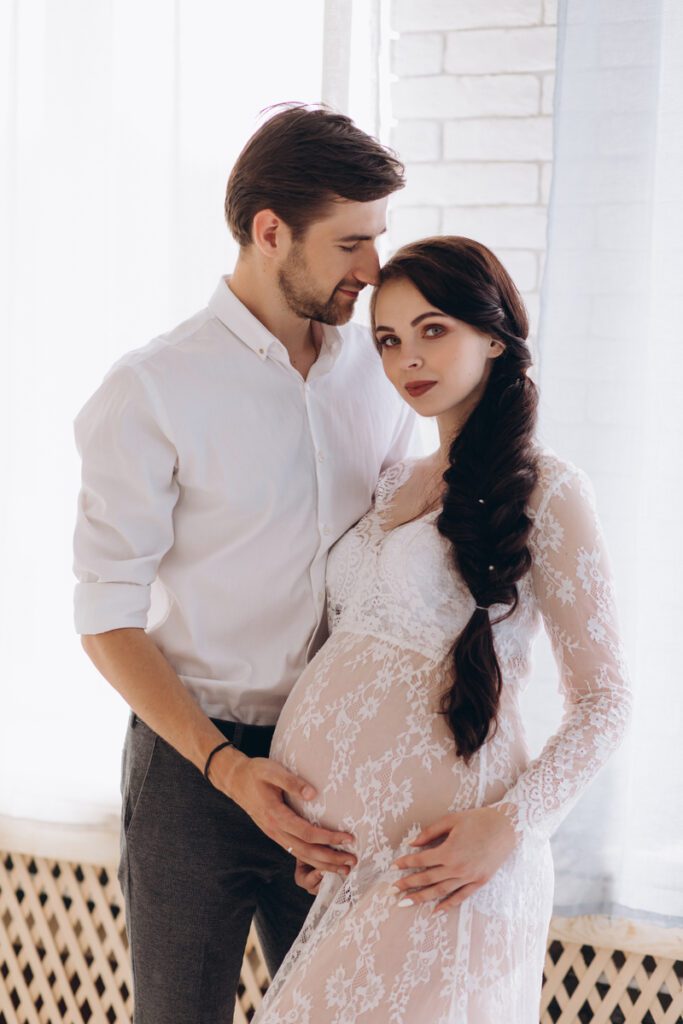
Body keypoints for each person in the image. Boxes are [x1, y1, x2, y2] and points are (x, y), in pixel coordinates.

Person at [72, 103, 414, 1023]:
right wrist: (225, 768)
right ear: (271, 232)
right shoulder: (150, 389)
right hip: (192, 768)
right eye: (351, 242)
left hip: (334, 768)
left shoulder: (378, 374)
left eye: (377, 238)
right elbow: (105, 617)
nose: (372, 269)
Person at [253, 236, 633, 1024]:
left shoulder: (550, 489)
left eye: (433, 330)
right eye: (388, 340)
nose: (406, 359)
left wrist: (510, 828)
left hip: (448, 865)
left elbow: (606, 699)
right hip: (357, 866)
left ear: (492, 335)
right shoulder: (395, 478)